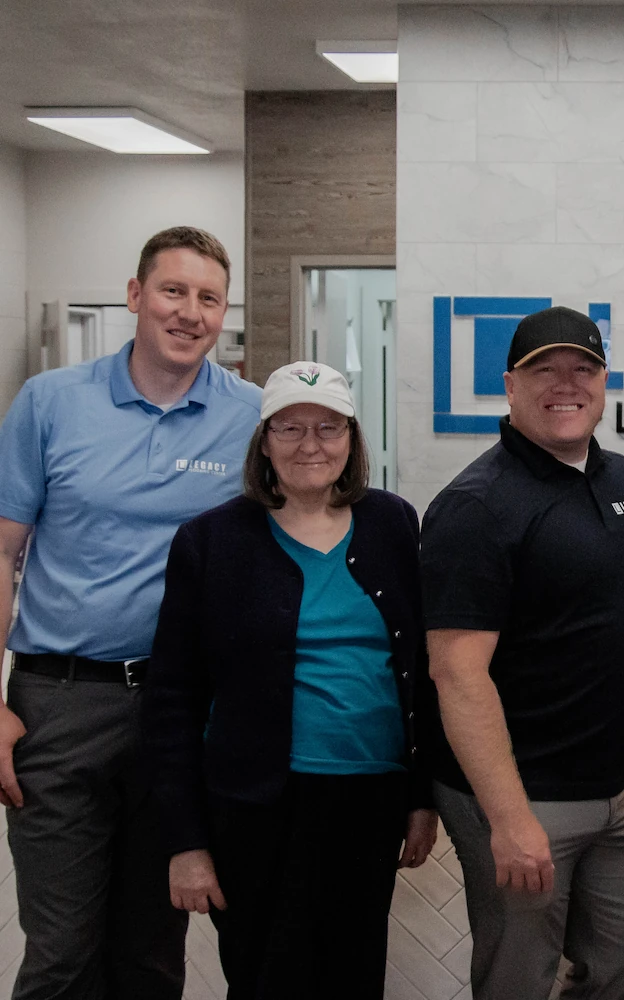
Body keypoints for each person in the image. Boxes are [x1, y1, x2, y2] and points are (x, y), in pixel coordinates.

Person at [0, 226, 260, 1000]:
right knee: (62, 951)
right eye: (173, 291)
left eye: (209, 298)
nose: (190, 312)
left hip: (180, 711)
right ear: (135, 296)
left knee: (152, 949)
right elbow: (2, 552)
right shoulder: (51, 402)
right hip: (59, 702)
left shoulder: (250, 415)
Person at [421, 306, 624, 1000]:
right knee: (518, 977)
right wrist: (509, 819)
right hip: (521, 791)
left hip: (612, 787)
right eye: (544, 370)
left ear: (603, 383)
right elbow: (457, 674)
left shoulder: (618, 476)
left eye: (582, 368)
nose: (565, 384)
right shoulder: (476, 507)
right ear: (510, 386)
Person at [142, 361, 436, 998]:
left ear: (352, 438)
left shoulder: (393, 524)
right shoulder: (211, 541)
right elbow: (172, 700)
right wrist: (185, 842)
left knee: (354, 980)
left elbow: (420, 674)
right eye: (290, 428)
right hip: (255, 807)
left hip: (370, 801)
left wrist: (421, 799)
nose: (310, 445)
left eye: (329, 428)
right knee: (267, 979)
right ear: (264, 441)